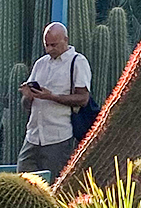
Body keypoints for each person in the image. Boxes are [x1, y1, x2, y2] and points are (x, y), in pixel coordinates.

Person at [17, 21, 92, 174]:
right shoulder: (40, 64)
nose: (49, 49)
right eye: (47, 45)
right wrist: (28, 96)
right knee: (23, 180)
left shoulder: (77, 62)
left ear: (65, 40)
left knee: (54, 185)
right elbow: (26, 105)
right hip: (33, 135)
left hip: (58, 137)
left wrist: (52, 97)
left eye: (54, 45)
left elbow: (83, 98)